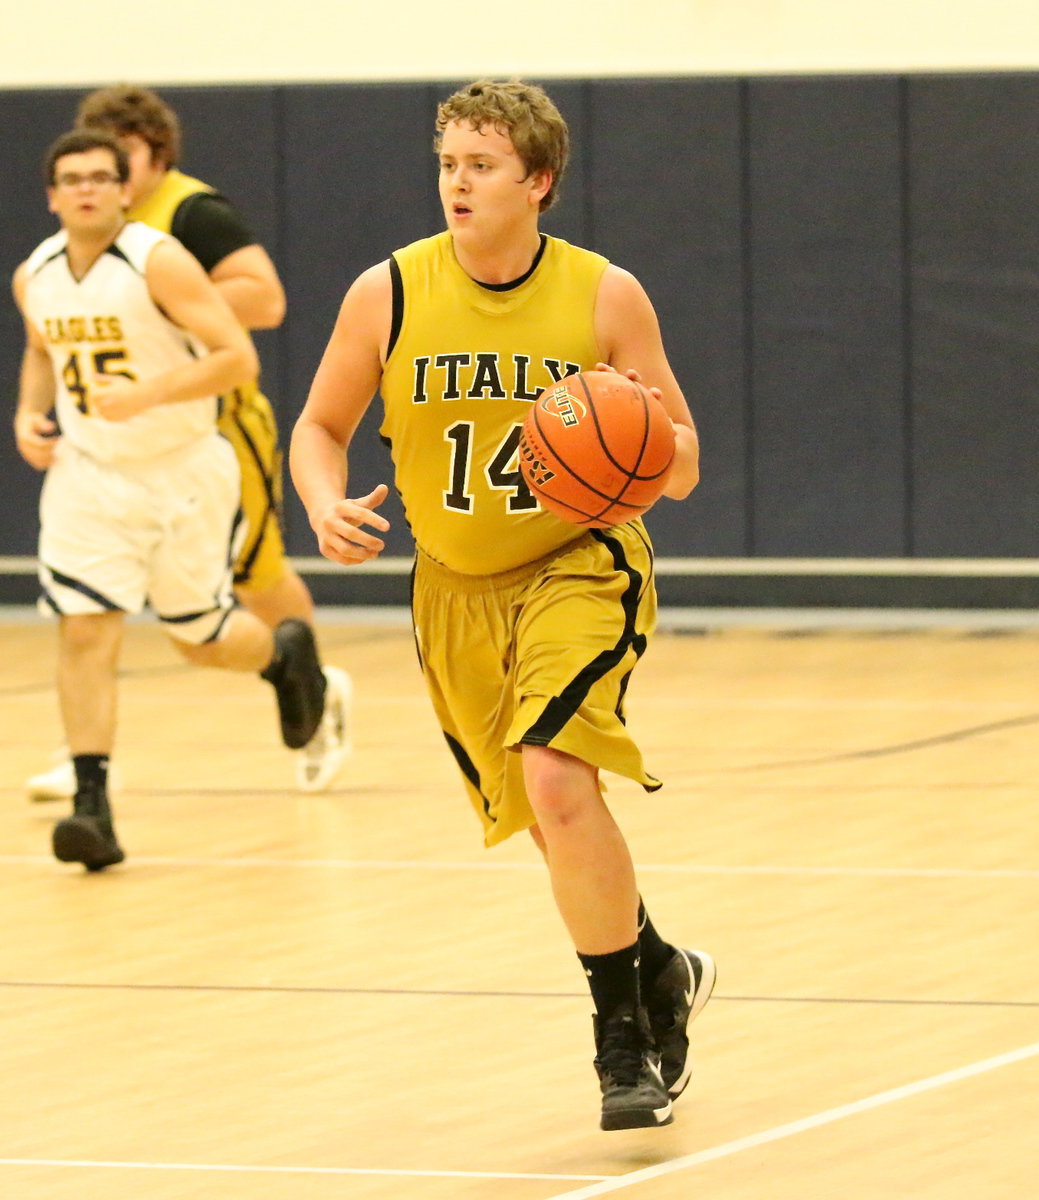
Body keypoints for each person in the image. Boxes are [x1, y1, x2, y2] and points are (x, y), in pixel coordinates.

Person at [289, 79, 716, 1131]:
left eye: (480, 165)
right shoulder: (384, 292)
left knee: (557, 776)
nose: (457, 183)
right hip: (453, 591)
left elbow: (688, 463)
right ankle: (657, 967)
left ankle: (622, 1045)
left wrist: (643, 442)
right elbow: (317, 426)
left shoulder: (604, 294)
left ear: (538, 181)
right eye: (447, 163)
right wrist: (322, 503)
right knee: (546, 819)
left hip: (579, 564)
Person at [12, 129, 334, 871]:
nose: (87, 188)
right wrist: (29, 415)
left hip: (182, 468)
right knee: (84, 630)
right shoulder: (36, 273)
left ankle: (283, 653)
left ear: (125, 190)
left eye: (101, 176)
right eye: (72, 178)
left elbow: (237, 357)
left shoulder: (157, 259)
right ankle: (91, 807)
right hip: (89, 475)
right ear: (53, 195)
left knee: (201, 640)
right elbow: (40, 350)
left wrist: (148, 394)